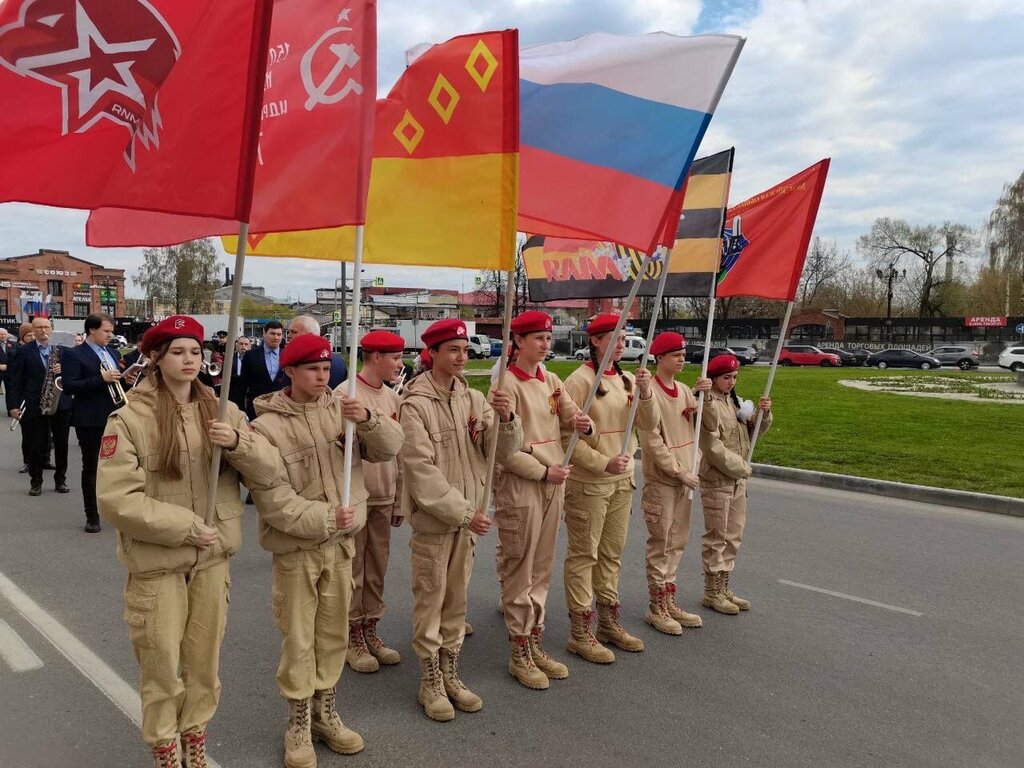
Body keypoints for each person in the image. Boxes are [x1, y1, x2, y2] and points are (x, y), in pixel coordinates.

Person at [96, 315, 302, 768]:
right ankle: (166, 751)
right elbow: (115, 501)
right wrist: (186, 527)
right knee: (162, 666)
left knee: (204, 666)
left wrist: (238, 445)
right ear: (154, 358)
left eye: (195, 351)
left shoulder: (226, 410)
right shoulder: (130, 418)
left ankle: (195, 743)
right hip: (158, 565)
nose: (190, 360)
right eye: (177, 352)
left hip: (211, 561)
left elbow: (270, 472)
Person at [249, 332, 404, 765]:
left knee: (333, 634)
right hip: (298, 548)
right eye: (312, 369)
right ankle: (297, 723)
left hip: (341, 543)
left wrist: (369, 419)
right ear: (290, 371)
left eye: (326, 368)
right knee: (299, 637)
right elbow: (273, 498)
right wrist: (323, 519)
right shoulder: (267, 426)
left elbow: (391, 448)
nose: (322, 375)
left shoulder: (344, 409)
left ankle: (326, 713)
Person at [399, 318, 521, 722]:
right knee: (431, 600)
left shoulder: (472, 398)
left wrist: (506, 420)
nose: (461, 357)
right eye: (453, 349)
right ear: (431, 353)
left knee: (457, 601)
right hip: (439, 523)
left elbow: (497, 452)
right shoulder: (415, 404)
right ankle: (429, 680)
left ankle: (451, 671)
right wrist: (468, 513)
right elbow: (420, 472)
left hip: (467, 521)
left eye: (465, 350)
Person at [491, 311, 595, 689]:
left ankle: (535, 638)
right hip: (524, 482)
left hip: (554, 481)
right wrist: (542, 471)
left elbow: (572, 416)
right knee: (521, 564)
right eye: (537, 338)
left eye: (548, 339)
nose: (545, 345)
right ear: (518, 342)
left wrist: (585, 423)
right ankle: (519, 648)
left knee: (542, 565)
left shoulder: (551, 379)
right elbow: (503, 449)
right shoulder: (505, 386)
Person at [560, 314, 656, 662]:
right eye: (613, 338)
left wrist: (645, 393)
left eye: (623, 338)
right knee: (585, 555)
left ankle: (607, 622)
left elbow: (649, 424)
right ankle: (580, 631)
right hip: (590, 484)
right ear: (596, 341)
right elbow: (566, 440)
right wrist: (603, 463)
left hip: (621, 481)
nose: (621, 344)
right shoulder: (579, 381)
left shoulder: (629, 379)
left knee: (611, 554)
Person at [341, 330, 406, 674]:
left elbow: (399, 455)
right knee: (354, 569)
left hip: (384, 497)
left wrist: (398, 499)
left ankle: (371, 628)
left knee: (377, 567)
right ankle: (351, 634)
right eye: (394, 358)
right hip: (356, 498)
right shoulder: (346, 395)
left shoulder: (393, 399)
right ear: (375, 357)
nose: (400, 363)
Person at [637, 332, 711, 635]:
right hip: (664, 480)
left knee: (678, 540)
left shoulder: (682, 390)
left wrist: (702, 398)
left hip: (686, 479)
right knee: (661, 541)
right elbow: (652, 441)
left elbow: (696, 426)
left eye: (683, 354)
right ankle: (656, 606)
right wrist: (678, 471)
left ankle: (669, 598)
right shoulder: (649, 392)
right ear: (660, 358)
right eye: (675, 355)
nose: (682, 359)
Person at [698, 353, 772, 615]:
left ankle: (724, 584)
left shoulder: (735, 401)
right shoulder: (709, 404)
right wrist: (741, 467)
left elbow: (751, 436)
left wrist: (763, 415)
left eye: (734, 377)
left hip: (738, 480)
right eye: (726, 377)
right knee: (717, 536)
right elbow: (711, 445)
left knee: (733, 535)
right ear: (714, 378)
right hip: (718, 479)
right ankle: (711, 591)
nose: (731, 382)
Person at [60, 313, 126, 533]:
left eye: (111, 331)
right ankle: (92, 515)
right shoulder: (74, 354)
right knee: (92, 468)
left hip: (115, 415)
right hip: (90, 418)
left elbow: (116, 383)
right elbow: (69, 385)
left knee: (117, 467)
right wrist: (100, 379)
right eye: (107, 331)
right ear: (92, 330)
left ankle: (114, 509)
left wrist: (127, 379)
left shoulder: (114, 352)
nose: (111, 335)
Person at [6, 316, 72, 496]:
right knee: (36, 445)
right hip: (35, 404)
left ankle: (61, 480)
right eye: (39, 327)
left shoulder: (63, 350)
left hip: (60, 403)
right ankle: (36, 482)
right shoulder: (23, 351)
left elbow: (74, 375)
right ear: (32, 331)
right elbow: (14, 381)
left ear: (51, 328)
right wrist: (13, 405)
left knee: (61, 444)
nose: (44, 330)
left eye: (47, 327)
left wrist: (63, 370)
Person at [240, 320, 288, 420]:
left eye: (279, 334)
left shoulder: (287, 355)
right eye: (272, 333)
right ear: (264, 334)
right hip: (256, 408)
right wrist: (241, 409)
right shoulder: (251, 355)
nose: (276, 337)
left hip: (281, 408)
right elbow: (242, 384)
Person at [287, 315, 347, 388]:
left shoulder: (293, 361)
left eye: (293, 332)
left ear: (309, 336)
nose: (289, 335)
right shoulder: (339, 362)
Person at [227, 335, 252, 412]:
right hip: (234, 390)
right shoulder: (229, 358)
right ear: (236, 345)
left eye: (246, 344)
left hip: (248, 391)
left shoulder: (254, 358)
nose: (243, 346)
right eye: (241, 344)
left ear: (250, 346)